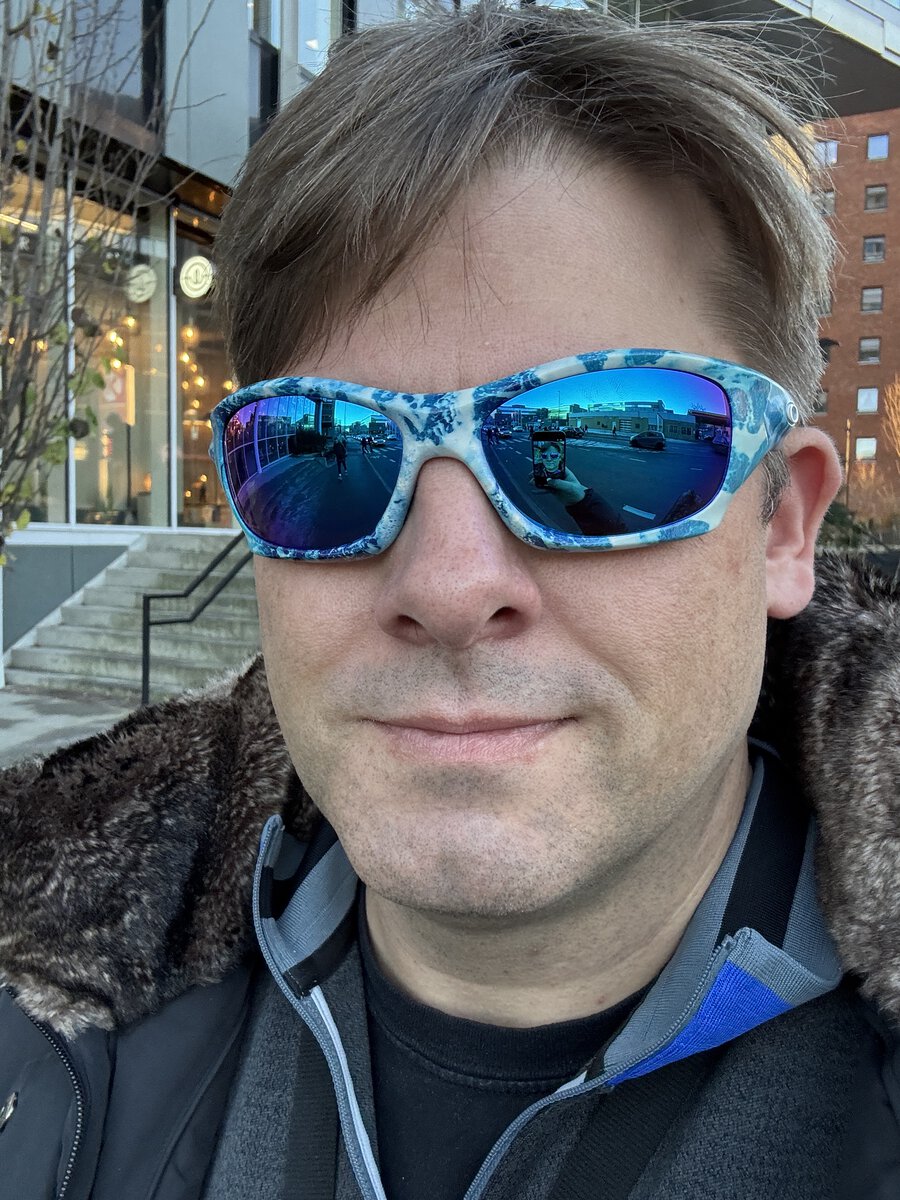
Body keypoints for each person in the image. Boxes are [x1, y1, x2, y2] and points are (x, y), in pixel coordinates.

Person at [2, 6, 899, 1200]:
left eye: (602, 443)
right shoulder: (38, 1007)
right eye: (323, 450)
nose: (449, 584)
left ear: (783, 526)